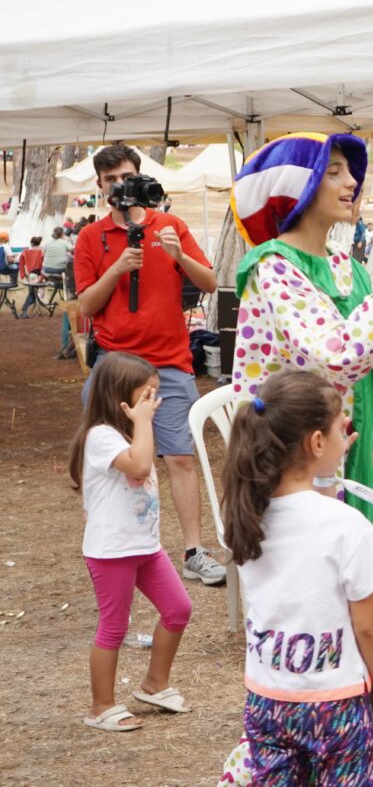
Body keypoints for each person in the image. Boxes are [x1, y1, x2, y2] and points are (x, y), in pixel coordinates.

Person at [230, 131, 373, 527]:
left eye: (349, 171)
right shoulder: (273, 268)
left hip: (353, 444)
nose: (352, 182)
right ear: (296, 188)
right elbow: (336, 358)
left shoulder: (344, 265)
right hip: (297, 461)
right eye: (332, 172)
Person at [220, 370, 373, 785]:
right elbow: (368, 625)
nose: (343, 436)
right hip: (337, 703)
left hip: (267, 699)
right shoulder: (347, 526)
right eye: (339, 429)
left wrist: (325, 477)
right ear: (316, 442)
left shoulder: (244, 517)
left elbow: (303, 524)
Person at [74, 144, 224, 587]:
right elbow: (87, 303)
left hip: (170, 363)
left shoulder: (171, 226)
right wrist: (118, 267)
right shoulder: (90, 238)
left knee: (179, 457)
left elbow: (211, 282)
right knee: (113, 461)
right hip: (114, 366)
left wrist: (179, 255)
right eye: (110, 180)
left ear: (140, 177)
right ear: (100, 188)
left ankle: (194, 551)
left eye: (126, 176)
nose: (121, 187)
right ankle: (116, 551)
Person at [70, 352, 193, 732]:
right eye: (146, 396)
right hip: (112, 552)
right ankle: (100, 706)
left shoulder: (128, 432)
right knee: (114, 627)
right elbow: (139, 466)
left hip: (144, 547)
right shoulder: (102, 437)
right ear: (118, 397)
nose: (154, 404)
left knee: (178, 608)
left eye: (156, 395)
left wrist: (141, 423)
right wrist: (142, 423)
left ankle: (155, 683)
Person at [17, 234, 44, 317]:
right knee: (39, 293)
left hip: (31, 275)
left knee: (32, 293)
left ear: (31, 243)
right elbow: (44, 264)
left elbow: (21, 264)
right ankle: (30, 310)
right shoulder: (42, 251)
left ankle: (25, 310)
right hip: (40, 274)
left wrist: (23, 274)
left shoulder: (25, 252)